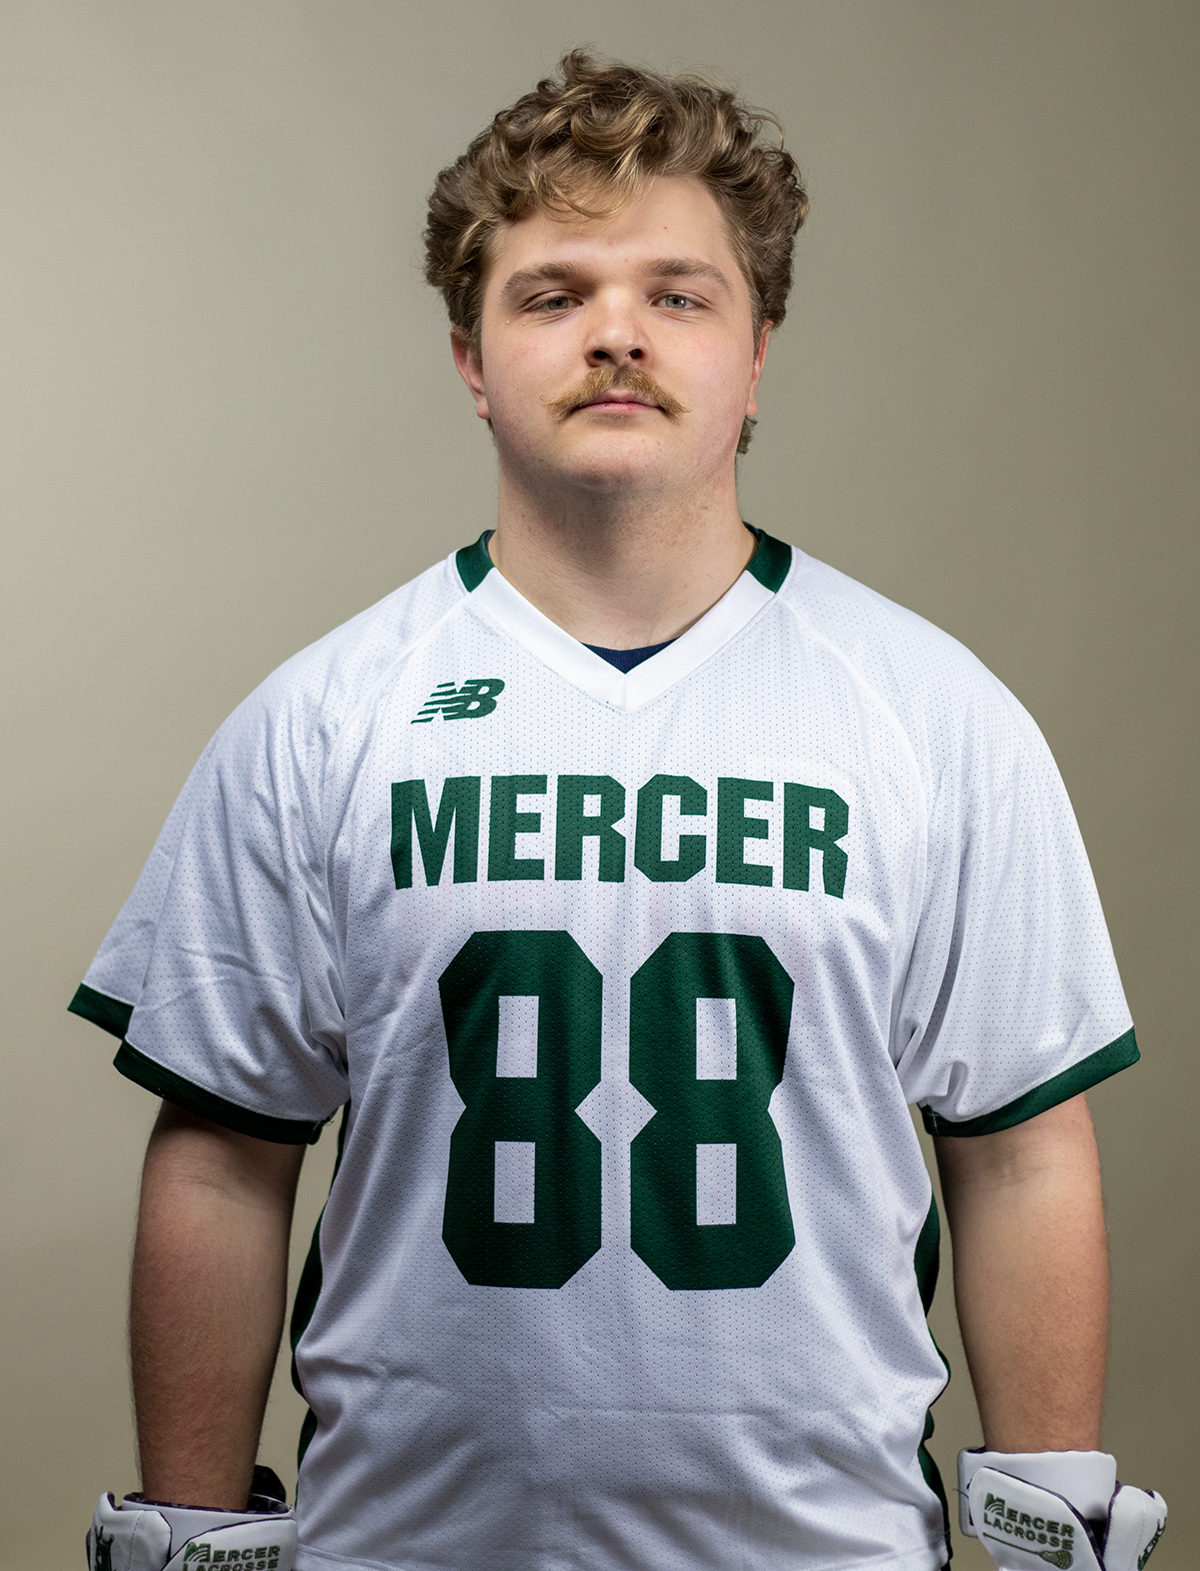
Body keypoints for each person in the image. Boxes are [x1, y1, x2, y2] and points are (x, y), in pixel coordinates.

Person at [72, 51, 1165, 1571]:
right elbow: (222, 1152)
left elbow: (1020, 1144)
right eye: (552, 293)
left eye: (678, 293)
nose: (617, 335)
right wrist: (190, 1523)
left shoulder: (933, 714)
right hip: (406, 1545)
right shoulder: (323, 719)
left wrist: (1054, 1534)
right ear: (471, 356)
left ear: (758, 351)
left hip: (825, 1548)